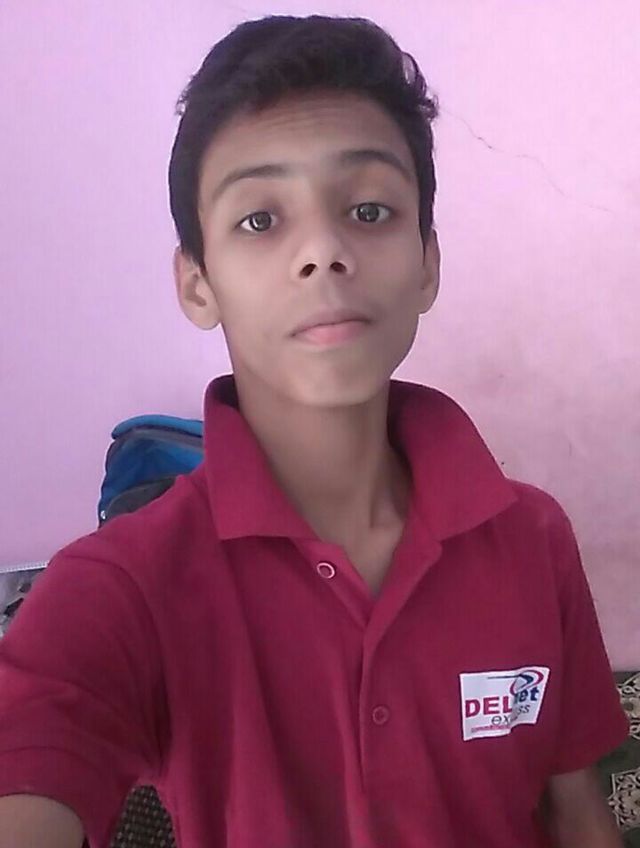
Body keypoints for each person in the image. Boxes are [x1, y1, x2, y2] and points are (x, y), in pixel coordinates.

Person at [0, 14, 629, 848]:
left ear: (427, 261)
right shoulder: (123, 587)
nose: (324, 251)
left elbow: (577, 815)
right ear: (197, 284)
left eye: (368, 209)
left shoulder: (531, 537)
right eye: (260, 220)